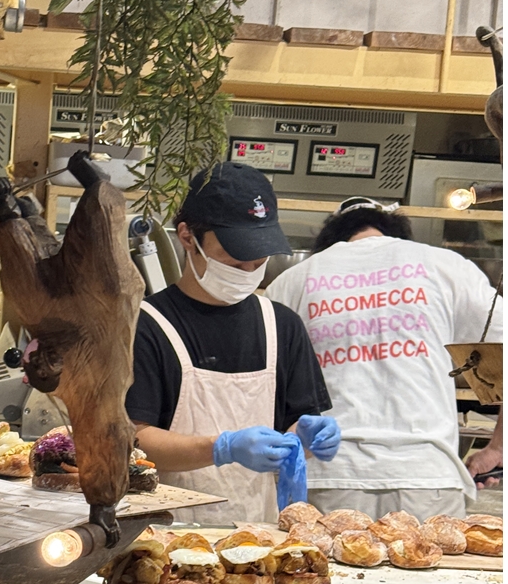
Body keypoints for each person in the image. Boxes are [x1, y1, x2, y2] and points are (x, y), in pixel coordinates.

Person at [126, 163, 339, 524]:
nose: (249, 271)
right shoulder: (145, 326)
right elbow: (131, 441)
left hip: (259, 535)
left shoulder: (282, 326)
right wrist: (221, 448)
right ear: (187, 237)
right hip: (161, 533)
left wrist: (304, 439)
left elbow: (291, 429)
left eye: (258, 261)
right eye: (236, 261)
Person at [267, 196, 503, 519]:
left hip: (329, 476)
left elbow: (265, 384)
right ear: (396, 233)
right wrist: (498, 448)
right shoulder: (445, 266)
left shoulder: (292, 281)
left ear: (330, 239)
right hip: (427, 477)